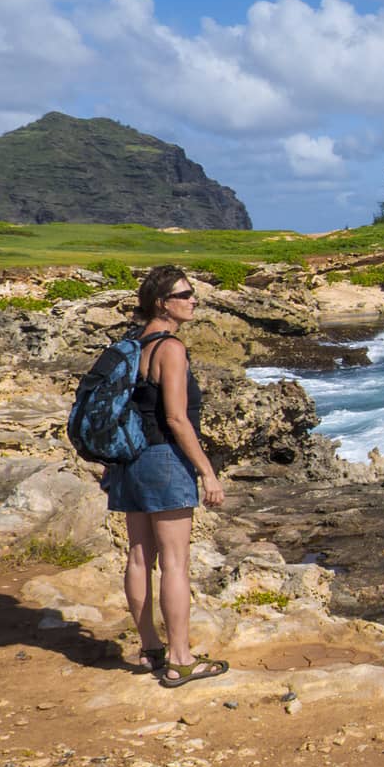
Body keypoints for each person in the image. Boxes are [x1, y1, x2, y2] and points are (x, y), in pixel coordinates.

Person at [101, 265, 228, 686]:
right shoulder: (171, 348)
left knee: (139, 556)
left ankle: (150, 648)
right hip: (163, 459)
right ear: (162, 302)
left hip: (128, 460)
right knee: (175, 562)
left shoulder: (133, 344)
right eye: (186, 294)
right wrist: (207, 472)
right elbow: (176, 417)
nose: (194, 300)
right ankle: (179, 658)